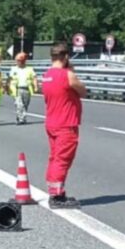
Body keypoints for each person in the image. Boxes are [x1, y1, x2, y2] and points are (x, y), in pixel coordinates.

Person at [42, 43, 87, 209]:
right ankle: (57, 197)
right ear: (66, 57)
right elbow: (83, 91)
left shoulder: (47, 75)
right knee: (63, 159)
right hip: (66, 123)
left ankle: (54, 190)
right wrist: (72, 71)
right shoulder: (68, 75)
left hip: (52, 122)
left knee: (54, 158)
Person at [8, 52, 38, 125]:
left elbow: (34, 78)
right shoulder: (14, 69)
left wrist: (36, 86)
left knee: (25, 104)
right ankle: (21, 118)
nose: (17, 62)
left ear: (23, 61)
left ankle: (22, 117)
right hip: (17, 89)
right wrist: (7, 87)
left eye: (19, 61)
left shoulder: (29, 69)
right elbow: (9, 79)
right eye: (17, 60)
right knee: (19, 104)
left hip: (27, 89)